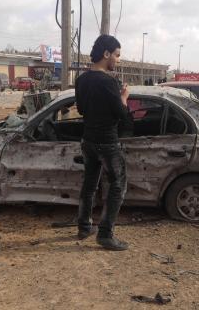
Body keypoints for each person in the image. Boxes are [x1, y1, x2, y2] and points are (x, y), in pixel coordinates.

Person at [75, 34, 130, 251]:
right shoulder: (109, 81)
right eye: (116, 55)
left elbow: (80, 110)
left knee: (89, 184)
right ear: (106, 54)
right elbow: (121, 114)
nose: (117, 60)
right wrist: (124, 97)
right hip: (107, 142)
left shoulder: (81, 80)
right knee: (118, 185)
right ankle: (105, 234)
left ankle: (84, 226)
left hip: (88, 140)